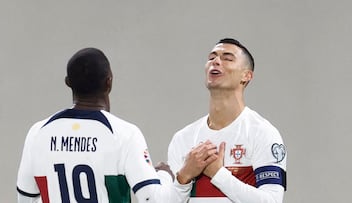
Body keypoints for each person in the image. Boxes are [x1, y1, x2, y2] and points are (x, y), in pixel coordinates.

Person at [16, 48, 190, 203]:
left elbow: (25, 199)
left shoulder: (38, 132)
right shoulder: (125, 134)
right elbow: (152, 200)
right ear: (109, 82)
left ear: (68, 82)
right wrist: (165, 175)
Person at [168, 38, 287, 203]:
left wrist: (218, 174)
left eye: (227, 58)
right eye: (211, 57)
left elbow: (272, 201)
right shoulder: (183, 138)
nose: (216, 61)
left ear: (246, 76)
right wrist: (184, 176)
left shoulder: (262, 132)